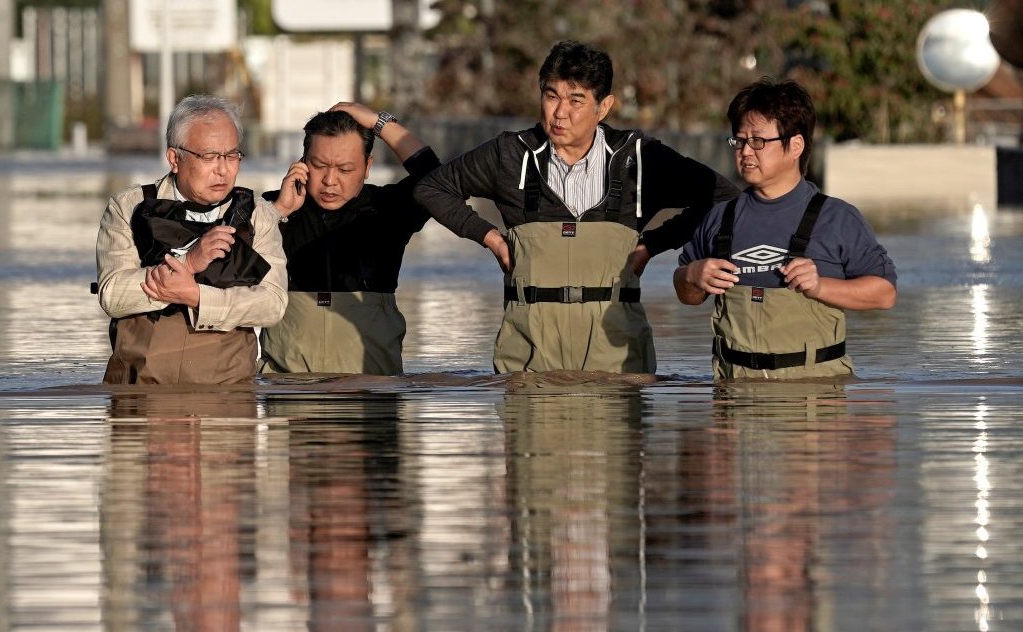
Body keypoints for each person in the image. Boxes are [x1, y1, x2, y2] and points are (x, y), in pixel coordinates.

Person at [414, 40, 738, 374]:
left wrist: (652, 245)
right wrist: (490, 238)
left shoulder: (639, 159)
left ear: (604, 107)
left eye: (576, 100)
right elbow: (432, 187)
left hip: (617, 354)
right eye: (551, 95)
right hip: (528, 354)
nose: (559, 112)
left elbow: (722, 197)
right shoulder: (510, 155)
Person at [672, 77, 897, 379]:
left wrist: (820, 287)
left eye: (758, 141)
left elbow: (885, 294)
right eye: (739, 141)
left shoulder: (837, 218)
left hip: (814, 402)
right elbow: (687, 295)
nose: (745, 152)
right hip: (733, 399)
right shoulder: (719, 217)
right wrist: (691, 275)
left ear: (795, 145)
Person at [96, 94, 288, 384]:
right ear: (175, 158)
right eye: (209, 157)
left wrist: (197, 297)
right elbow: (112, 295)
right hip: (139, 395)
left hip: (228, 401)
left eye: (232, 155)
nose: (223, 170)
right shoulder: (129, 206)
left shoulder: (257, 214)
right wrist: (187, 263)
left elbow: (272, 303)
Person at [259, 102, 441, 375]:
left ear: (367, 166)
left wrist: (379, 122)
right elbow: (232, 265)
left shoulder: (388, 210)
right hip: (289, 398)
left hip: (371, 397)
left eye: (344, 169)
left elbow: (436, 178)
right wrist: (278, 212)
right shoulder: (272, 209)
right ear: (302, 163)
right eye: (319, 165)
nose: (330, 180)